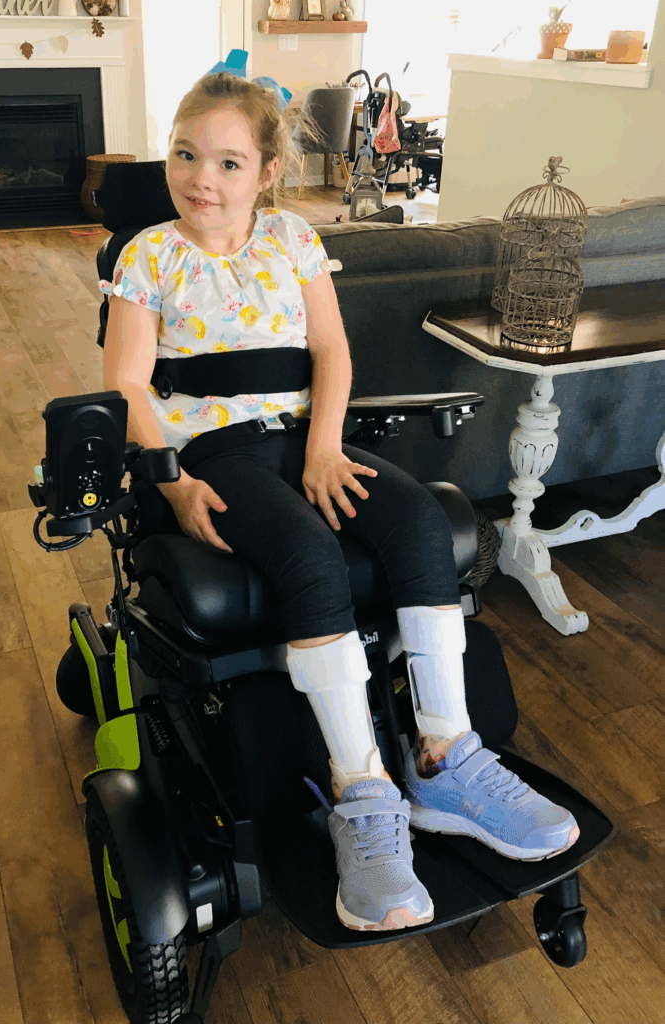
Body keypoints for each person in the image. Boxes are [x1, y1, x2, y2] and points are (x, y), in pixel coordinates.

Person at [101, 72, 580, 934]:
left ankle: (445, 758)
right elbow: (128, 386)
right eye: (184, 154)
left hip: (307, 437)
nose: (201, 177)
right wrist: (172, 482)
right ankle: (362, 788)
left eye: (228, 162)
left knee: (420, 524)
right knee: (309, 558)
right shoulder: (149, 257)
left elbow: (331, 350)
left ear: (267, 172)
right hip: (215, 453)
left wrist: (325, 446)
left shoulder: (292, 238)